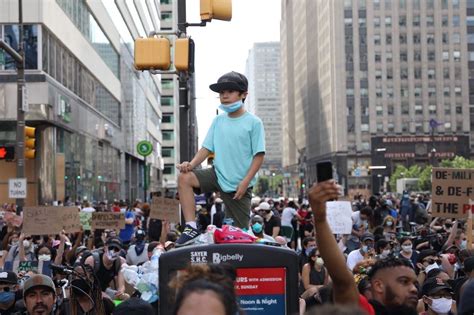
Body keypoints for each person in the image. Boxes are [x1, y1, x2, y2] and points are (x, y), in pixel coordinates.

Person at [175, 71, 265, 246]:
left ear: (243, 94)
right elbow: (206, 148)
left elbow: (259, 156)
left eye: (230, 91)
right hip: (217, 174)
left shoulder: (254, 122)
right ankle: (191, 227)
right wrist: (190, 165)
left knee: (238, 238)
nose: (224, 95)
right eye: (221, 92)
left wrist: (245, 182)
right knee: (184, 178)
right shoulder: (218, 121)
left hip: (239, 184)